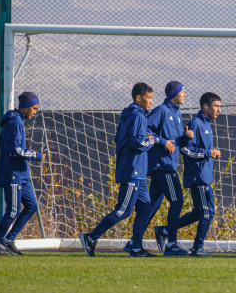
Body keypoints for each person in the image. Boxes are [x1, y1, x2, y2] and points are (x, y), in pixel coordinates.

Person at [80, 83, 163, 257]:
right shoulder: (137, 116)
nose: (151, 102)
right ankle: (91, 237)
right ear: (138, 98)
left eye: (152, 98)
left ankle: (136, 247)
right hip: (132, 170)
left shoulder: (129, 116)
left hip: (137, 172)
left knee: (145, 208)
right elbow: (137, 143)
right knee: (123, 210)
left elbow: (120, 138)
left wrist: (146, 138)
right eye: (148, 98)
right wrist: (152, 141)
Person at [122, 81, 193, 256]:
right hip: (163, 166)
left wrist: (185, 138)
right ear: (173, 94)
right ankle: (171, 243)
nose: (185, 95)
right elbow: (145, 129)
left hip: (168, 163)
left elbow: (173, 142)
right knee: (177, 201)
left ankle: (133, 242)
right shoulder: (162, 111)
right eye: (182, 92)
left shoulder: (176, 113)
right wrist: (162, 141)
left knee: (151, 205)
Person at [0, 92, 45, 255]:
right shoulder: (16, 121)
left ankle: (8, 240)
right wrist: (36, 155)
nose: (35, 112)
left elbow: (0, 142)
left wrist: (23, 152)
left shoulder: (17, 120)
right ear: (25, 107)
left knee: (32, 206)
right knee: (12, 211)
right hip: (13, 175)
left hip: (21, 174)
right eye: (34, 108)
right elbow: (15, 150)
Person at [174, 92, 222, 256]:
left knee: (199, 212)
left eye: (219, 107)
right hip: (197, 176)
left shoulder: (207, 124)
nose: (219, 110)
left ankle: (166, 230)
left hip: (205, 175)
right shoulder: (195, 123)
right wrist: (208, 153)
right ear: (205, 106)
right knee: (208, 212)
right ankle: (197, 248)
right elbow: (186, 150)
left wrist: (211, 153)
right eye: (216, 106)